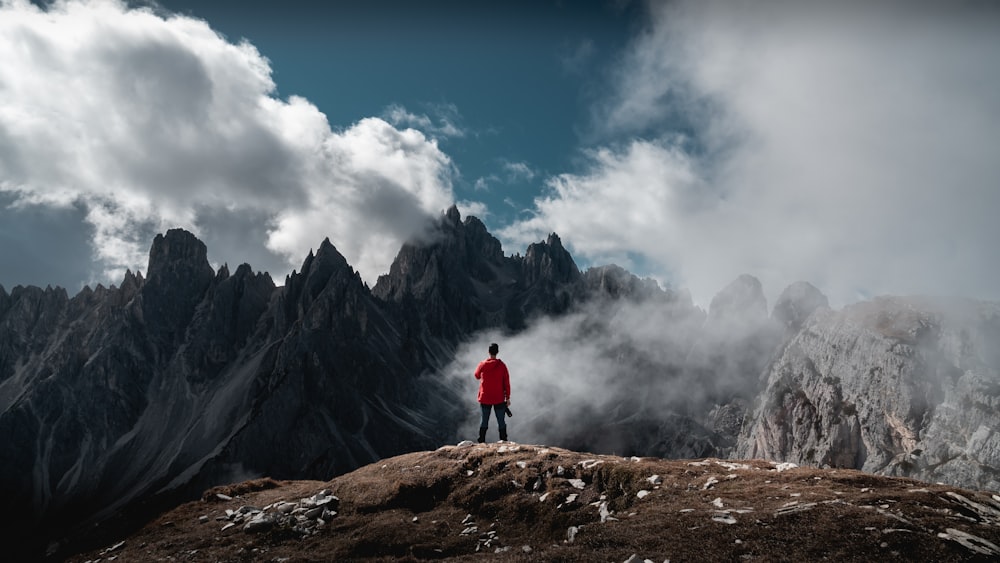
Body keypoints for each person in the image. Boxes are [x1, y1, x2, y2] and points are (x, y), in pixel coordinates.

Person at [474, 342, 511, 443]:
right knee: (501, 421)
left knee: (484, 420)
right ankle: (503, 440)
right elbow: (506, 383)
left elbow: (476, 375)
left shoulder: (482, 364)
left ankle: (481, 440)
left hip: (485, 396)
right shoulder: (502, 365)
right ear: (497, 352)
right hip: (498, 398)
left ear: (488, 352)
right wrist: (507, 398)